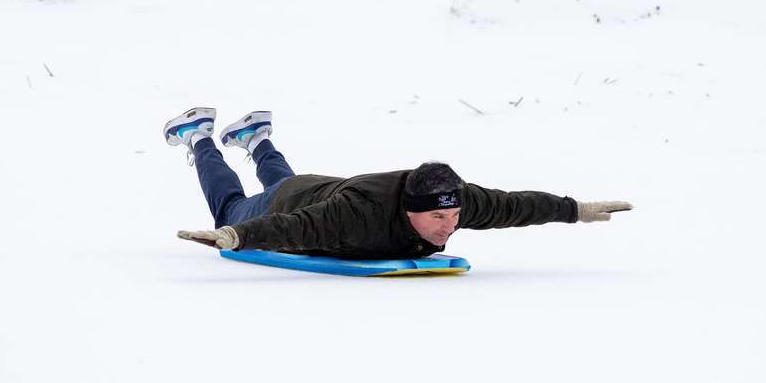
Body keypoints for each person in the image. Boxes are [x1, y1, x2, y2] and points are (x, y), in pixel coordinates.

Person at [166, 106, 632, 259]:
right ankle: (200, 136)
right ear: (409, 207)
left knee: (291, 184)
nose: (449, 226)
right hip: (297, 205)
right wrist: (235, 235)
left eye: (454, 216)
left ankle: (255, 138)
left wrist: (576, 210)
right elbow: (295, 228)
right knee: (234, 207)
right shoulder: (357, 214)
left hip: (315, 188)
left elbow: (515, 205)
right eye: (438, 217)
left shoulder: (454, 198)